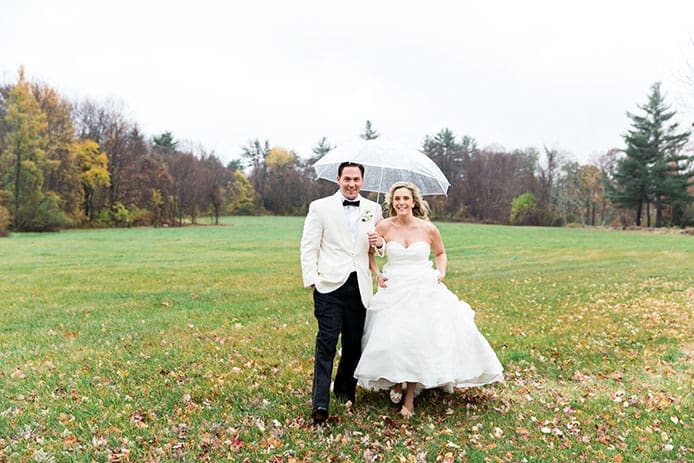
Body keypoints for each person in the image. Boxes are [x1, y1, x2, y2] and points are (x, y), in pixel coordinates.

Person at [354, 181, 504, 417]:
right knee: (395, 336)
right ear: (392, 203)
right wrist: (377, 274)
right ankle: (396, 380)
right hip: (394, 286)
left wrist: (441, 272)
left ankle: (410, 396)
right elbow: (370, 254)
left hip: (423, 286)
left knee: (418, 338)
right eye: (397, 199)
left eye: (405, 199)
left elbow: (440, 253)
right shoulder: (382, 226)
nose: (401, 203)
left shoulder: (428, 228)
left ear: (413, 202)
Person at [300, 161, 385, 425]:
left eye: (356, 179)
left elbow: (377, 250)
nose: (351, 184)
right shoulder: (320, 207)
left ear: (362, 181)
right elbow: (309, 246)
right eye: (347, 179)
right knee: (326, 342)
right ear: (338, 179)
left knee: (353, 345)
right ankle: (320, 404)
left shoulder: (373, 209)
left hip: (359, 284)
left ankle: (345, 389)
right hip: (329, 285)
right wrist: (313, 279)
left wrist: (379, 243)